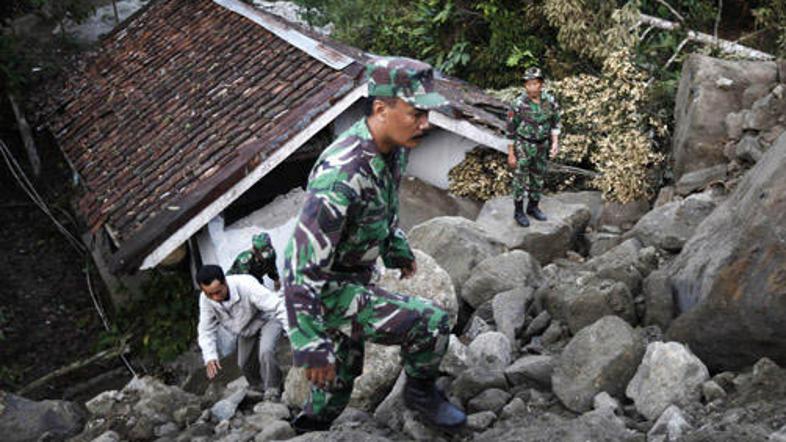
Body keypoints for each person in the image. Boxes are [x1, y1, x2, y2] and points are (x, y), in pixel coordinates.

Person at [282, 57, 466, 433]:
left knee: (341, 376)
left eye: (426, 114)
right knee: (430, 321)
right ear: (381, 108)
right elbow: (298, 268)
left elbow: (380, 207)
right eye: (416, 113)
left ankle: (307, 429)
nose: (425, 124)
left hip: (355, 276)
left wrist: (395, 247)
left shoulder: (394, 148)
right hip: (328, 288)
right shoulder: (341, 175)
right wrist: (310, 343)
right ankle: (420, 394)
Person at [196, 264, 286, 402]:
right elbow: (206, 329)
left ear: (225, 282)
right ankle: (258, 387)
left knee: (266, 351)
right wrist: (210, 356)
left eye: (218, 292)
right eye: (209, 294)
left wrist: (294, 332)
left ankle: (273, 388)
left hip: (267, 318)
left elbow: (278, 306)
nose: (215, 297)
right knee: (244, 363)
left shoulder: (246, 284)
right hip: (246, 329)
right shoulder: (205, 299)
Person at [506, 66, 562, 227]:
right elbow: (510, 130)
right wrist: (511, 154)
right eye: (528, 84)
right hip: (523, 145)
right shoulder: (518, 104)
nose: (531, 87)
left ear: (541, 84)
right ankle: (518, 211)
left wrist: (555, 143)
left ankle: (533, 207)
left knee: (538, 177)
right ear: (525, 85)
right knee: (520, 178)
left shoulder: (549, 101)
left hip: (542, 145)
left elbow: (555, 123)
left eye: (534, 83)